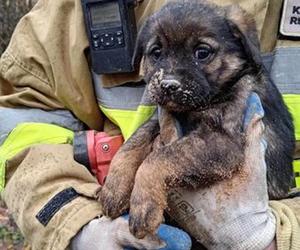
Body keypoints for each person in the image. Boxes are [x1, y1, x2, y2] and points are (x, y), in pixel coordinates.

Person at [0, 0, 299, 249]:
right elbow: (25, 115)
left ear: (242, 48)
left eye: (202, 53)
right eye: (157, 54)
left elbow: (224, 146)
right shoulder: (65, 11)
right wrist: (79, 226)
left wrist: (277, 238)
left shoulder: (239, 86)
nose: (169, 76)